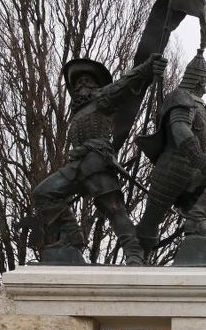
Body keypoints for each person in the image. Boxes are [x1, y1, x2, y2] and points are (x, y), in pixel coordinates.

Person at [30, 53, 165, 266]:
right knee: (43, 193)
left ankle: (134, 251)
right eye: (77, 83)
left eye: (87, 81)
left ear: (96, 85)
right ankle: (72, 237)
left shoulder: (103, 99)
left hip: (97, 160)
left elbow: (126, 83)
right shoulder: (77, 114)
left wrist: (148, 66)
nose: (81, 85)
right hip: (76, 164)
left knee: (113, 208)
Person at [134, 44, 206, 254]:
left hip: (195, 167)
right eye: (205, 81)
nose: (205, 87)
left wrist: (202, 158)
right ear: (200, 79)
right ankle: (135, 255)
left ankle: (196, 220)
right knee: (149, 226)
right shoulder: (181, 97)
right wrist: (198, 157)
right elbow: (179, 128)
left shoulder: (197, 102)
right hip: (174, 167)